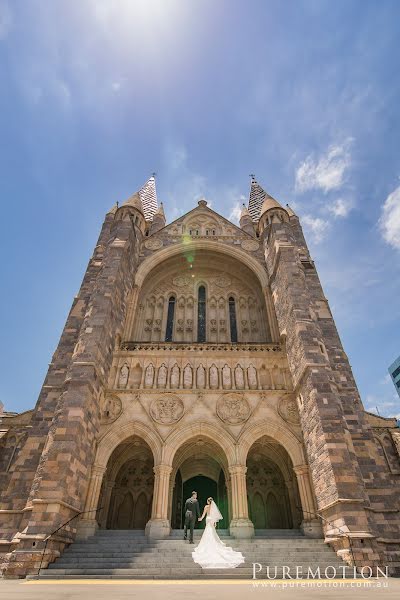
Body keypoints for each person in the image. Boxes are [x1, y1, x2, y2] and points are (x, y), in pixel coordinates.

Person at [192, 496, 245, 569]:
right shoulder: (213, 508)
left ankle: (207, 545)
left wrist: (200, 519)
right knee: (212, 533)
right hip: (211, 520)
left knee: (208, 532)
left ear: (208, 501)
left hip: (208, 519)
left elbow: (204, 515)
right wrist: (215, 523)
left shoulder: (206, 507)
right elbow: (214, 516)